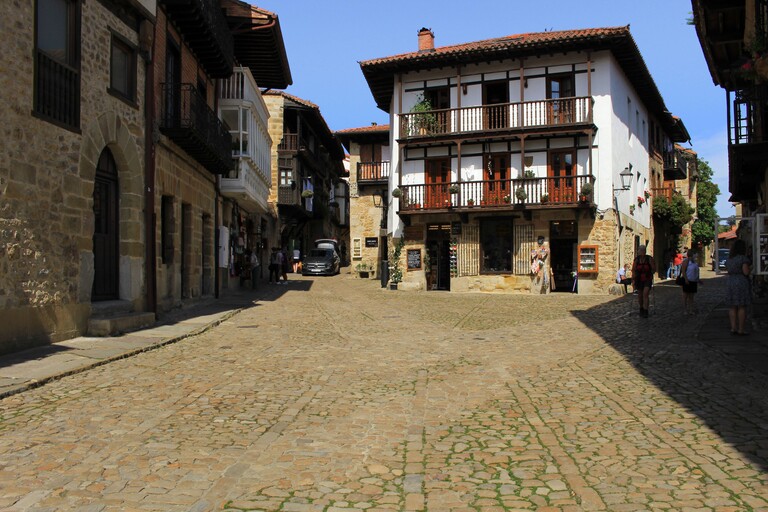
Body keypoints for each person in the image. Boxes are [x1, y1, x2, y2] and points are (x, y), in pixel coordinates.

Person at [725, 239, 752, 335]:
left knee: (732, 306)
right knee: (741, 306)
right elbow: (745, 272)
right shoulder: (743, 259)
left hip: (731, 281)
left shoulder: (729, 259)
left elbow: (728, 269)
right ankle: (741, 329)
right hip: (741, 281)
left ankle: (733, 328)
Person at [632, 245, 656, 318]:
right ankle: (641, 308)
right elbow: (633, 270)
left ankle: (646, 311)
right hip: (639, 279)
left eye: (643, 250)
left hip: (647, 279)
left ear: (645, 251)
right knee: (640, 295)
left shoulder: (649, 259)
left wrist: (651, 272)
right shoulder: (636, 260)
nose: (641, 252)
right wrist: (633, 280)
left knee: (645, 294)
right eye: (640, 250)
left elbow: (654, 269)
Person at [681, 249, 700, 315]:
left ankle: (691, 310)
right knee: (685, 296)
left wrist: (698, 279)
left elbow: (696, 271)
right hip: (687, 281)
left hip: (693, 281)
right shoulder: (686, 261)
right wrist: (686, 279)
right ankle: (685, 310)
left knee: (691, 297)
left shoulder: (695, 262)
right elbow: (683, 271)